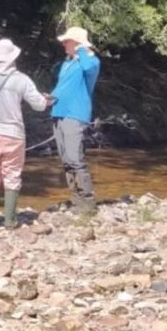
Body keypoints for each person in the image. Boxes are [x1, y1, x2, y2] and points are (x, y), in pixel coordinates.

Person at [0, 39, 51, 230]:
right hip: (14, 135)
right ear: (13, 58)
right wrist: (46, 100)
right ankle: (10, 221)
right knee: (12, 174)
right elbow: (38, 105)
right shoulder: (21, 79)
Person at [51, 26, 101, 213]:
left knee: (75, 158)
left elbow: (90, 66)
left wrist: (81, 48)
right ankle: (75, 199)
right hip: (59, 113)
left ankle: (88, 202)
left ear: (78, 42)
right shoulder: (68, 63)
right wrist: (49, 98)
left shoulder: (90, 62)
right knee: (65, 159)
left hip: (76, 114)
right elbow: (62, 87)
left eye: (67, 40)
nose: (63, 43)